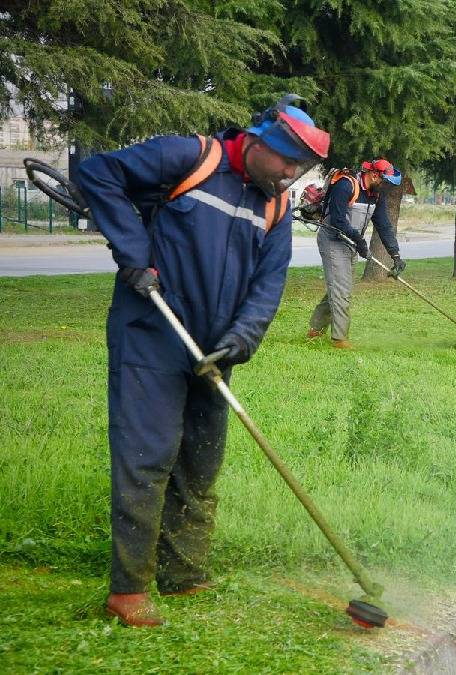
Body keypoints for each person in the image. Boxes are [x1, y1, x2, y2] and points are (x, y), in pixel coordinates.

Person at [77, 95, 330, 626]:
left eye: (301, 169)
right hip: (152, 333)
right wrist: (134, 256)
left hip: (213, 353)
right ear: (258, 145)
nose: (291, 176)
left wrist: (241, 339)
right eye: (286, 162)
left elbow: (269, 283)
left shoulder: (276, 207)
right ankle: (128, 589)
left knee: (200, 460)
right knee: (147, 456)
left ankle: (183, 572)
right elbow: (98, 173)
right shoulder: (190, 158)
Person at [306, 159, 406, 349]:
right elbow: (337, 221)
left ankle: (316, 329)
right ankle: (339, 339)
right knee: (341, 289)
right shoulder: (346, 185)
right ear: (375, 175)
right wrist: (360, 242)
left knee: (339, 287)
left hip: (349, 242)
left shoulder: (376, 195)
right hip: (332, 239)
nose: (386, 189)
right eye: (386, 183)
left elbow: (384, 226)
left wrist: (396, 256)